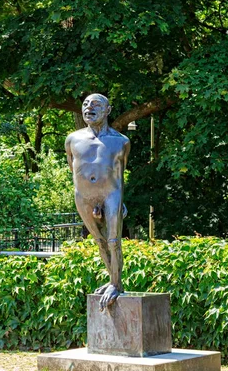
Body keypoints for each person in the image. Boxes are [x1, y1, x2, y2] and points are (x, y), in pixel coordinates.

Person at [65, 93, 130, 310]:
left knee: (114, 240)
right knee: (100, 241)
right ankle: (113, 281)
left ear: (108, 110)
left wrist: (120, 201)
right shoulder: (73, 139)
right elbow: (73, 168)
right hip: (83, 196)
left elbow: (120, 174)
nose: (88, 108)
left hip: (111, 193)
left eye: (95, 105)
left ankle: (116, 283)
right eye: (85, 104)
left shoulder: (121, 141)